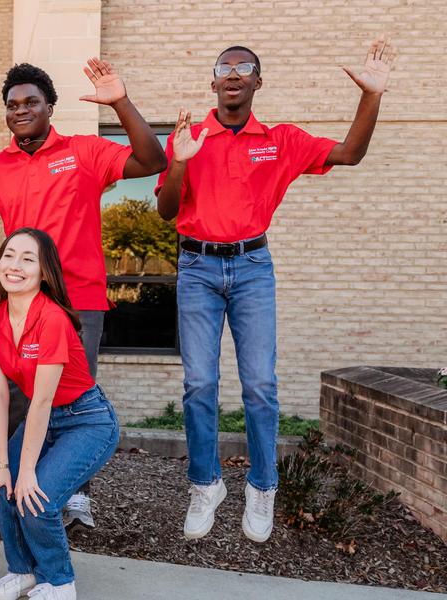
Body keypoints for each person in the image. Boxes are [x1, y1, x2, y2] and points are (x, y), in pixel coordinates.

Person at [156, 39, 395, 543]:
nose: (235, 73)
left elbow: (349, 153)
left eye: (246, 67)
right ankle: (206, 485)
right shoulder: (190, 136)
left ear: (258, 82)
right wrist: (178, 161)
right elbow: (166, 210)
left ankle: (262, 486)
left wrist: (371, 96)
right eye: (226, 66)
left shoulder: (281, 139)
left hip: (251, 267)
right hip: (197, 266)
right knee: (199, 384)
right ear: (214, 81)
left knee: (260, 385)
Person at [0, 60, 166, 529]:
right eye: (12, 105)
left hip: (80, 301)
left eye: (31, 102)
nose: (21, 111)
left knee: (72, 400)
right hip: (21, 306)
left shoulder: (83, 152)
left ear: (49, 107)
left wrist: (119, 100)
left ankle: (75, 496)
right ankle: (14, 484)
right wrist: (13, 271)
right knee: (18, 397)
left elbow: (153, 161)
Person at [0, 228, 119, 600]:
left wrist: (25, 471)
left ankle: (59, 582)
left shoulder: (52, 318)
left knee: (35, 498)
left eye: (28, 259)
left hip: (86, 420)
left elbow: (41, 401)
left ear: (44, 272)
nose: (15, 265)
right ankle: (23, 571)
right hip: (44, 420)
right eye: (9, 255)